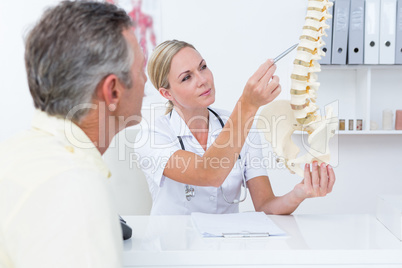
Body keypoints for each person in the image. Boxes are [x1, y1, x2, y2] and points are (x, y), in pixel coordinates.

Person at [0, 1, 146, 267]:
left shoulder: (14, 152)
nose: (146, 80)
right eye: (140, 69)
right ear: (113, 90)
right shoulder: (76, 190)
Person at [136, 40, 336, 215]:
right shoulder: (152, 136)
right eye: (186, 77)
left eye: (203, 67)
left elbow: (265, 204)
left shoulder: (242, 126)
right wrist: (248, 104)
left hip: (225, 247)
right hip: (174, 249)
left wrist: (299, 193)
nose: (203, 80)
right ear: (167, 94)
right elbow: (208, 173)